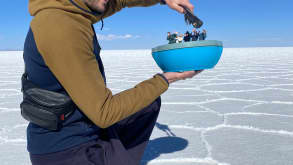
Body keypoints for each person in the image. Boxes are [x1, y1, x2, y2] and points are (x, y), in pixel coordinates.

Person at [22, 0, 202, 165]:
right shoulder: (61, 27)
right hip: (67, 151)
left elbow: (120, 1)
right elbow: (104, 113)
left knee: (149, 104)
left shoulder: (74, 11)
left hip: (86, 130)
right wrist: (167, 78)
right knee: (148, 95)